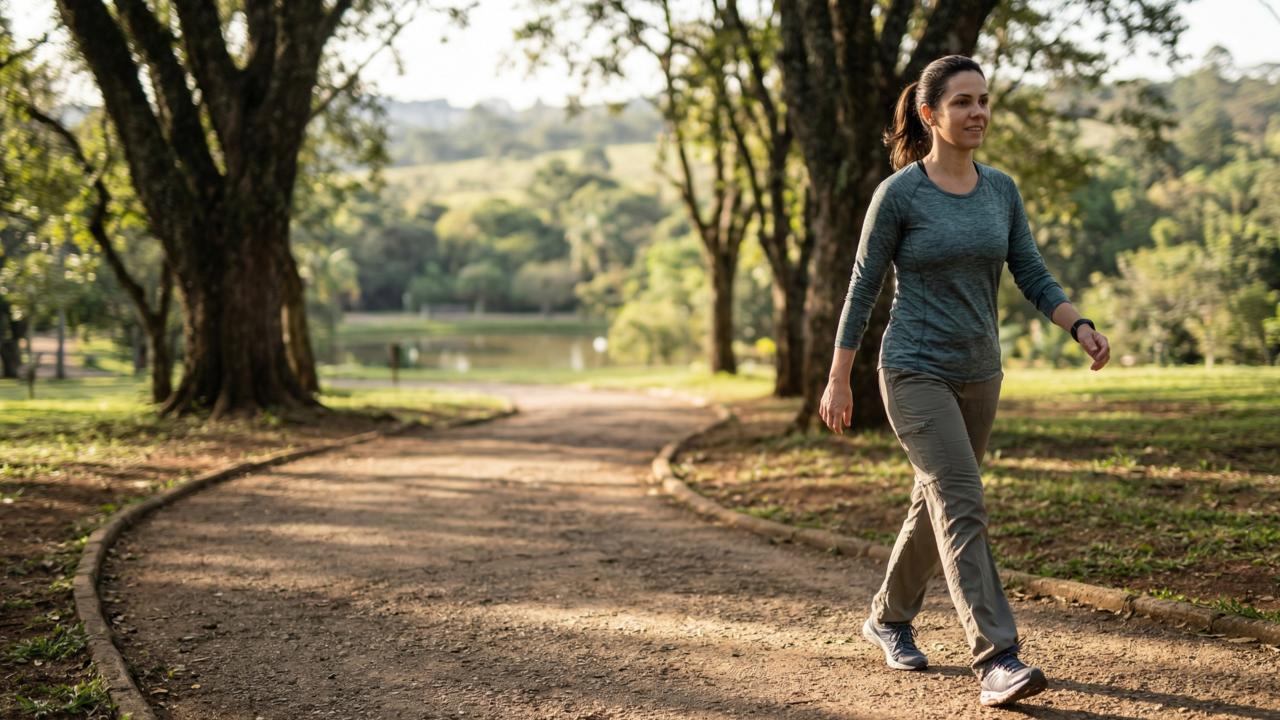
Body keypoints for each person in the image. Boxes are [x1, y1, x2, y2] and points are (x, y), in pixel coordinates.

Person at [818, 55, 1111, 707]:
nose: (977, 112)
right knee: (962, 500)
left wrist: (1079, 325)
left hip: (980, 372)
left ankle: (888, 618)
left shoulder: (1000, 189)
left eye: (983, 100)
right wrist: (838, 379)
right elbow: (863, 289)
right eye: (962, 102)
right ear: (930, 114)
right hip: (913, 369)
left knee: (938, 502)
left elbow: (1030, 271)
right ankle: (997, 658)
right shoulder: (900, 195)